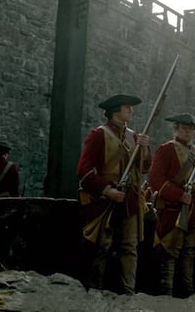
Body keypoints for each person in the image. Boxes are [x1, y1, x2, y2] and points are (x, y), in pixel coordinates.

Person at [76, 94, 151, 294]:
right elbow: (84, 170)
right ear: (116, 110)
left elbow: (144, 167)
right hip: (105, 201)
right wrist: (107, 190)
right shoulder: (98, 135)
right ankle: (94, 291)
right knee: (102, 246)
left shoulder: (134, 137)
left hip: (130, 199)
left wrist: (145, 148)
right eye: (127, 108)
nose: (131, 111)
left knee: (130, 247)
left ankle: (129, 292)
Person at [149, 113, 195, 297]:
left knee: (189, 251)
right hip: (173, 209)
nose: (188, 132)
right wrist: (178, 195)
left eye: (191, 129)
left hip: (192, 210)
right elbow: (156, 179)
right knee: (169, 251)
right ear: (176, 129)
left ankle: (187, 291)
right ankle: (166, 292)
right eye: (184, 128)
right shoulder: (166, 150)